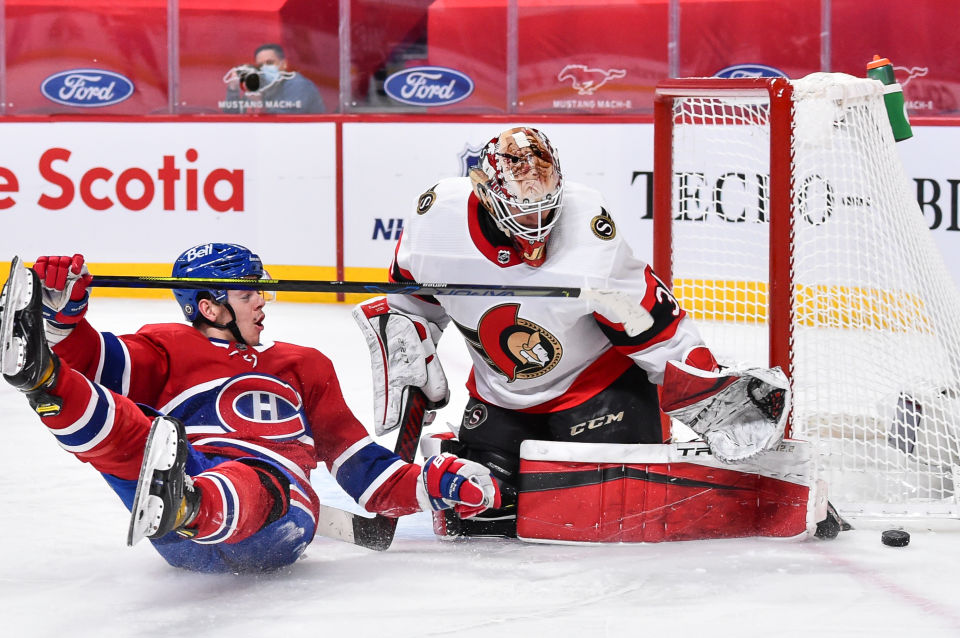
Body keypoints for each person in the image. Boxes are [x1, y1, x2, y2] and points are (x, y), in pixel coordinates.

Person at [354, 126, 847, 540]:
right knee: (479, 516)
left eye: (548, 206)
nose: (539, 223)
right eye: (525, 212)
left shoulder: (587, 234)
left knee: (610, 519)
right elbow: (411, 300)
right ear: (485, 194)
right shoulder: (434, 222)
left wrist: (703, 389)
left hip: (600, 392)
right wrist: (406, 337)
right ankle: (451, 455)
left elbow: (647, 323)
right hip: (502, 398)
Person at [0, 244, 500, 573]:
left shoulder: (303, 366)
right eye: (247, 293)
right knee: (131, 432)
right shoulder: (165, 347)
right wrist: (63, 319)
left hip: (277, 516)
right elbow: (95, 360)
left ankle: (190, 501)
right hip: (180, 504)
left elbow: (363, 471)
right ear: (210, 307)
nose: (263, 301)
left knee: (247, 476)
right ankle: (39, 376)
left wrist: (431, 485)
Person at [222, 43, 325, 114]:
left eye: (270, 63)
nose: (265, 68)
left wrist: (260, 104)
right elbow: (231, 118)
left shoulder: (299, 85)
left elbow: (289, 120)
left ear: (284, 64)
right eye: (260, 65)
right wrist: (233, 89)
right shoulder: (261, 84)